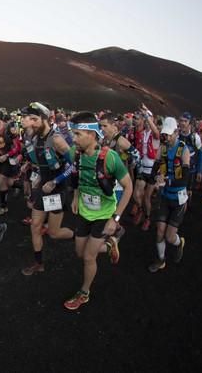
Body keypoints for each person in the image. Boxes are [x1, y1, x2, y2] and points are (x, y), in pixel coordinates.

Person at [62, 112, 133, 311]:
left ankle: (84, 293)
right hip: (85, 212)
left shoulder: (110, 157)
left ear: (92, 134)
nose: (73, 139)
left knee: (88, 257)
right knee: (79, 253)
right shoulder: (75, 154)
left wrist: (115, 218)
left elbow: (128, 187)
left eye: (77, 134)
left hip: (104, 215)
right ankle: (110, 245)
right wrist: (76, 197)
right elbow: (77, 178)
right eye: (72, 134)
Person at [19, 102, 75, 276]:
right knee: (35, 226)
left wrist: (55, 181)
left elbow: (74, 165)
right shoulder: (37, 138)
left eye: (34, 120)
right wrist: (34, 172)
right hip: (43, 189)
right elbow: (42, 162)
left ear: (45, 119)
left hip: (56, 191)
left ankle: (80, 235)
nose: (31, 124)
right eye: (27, 120)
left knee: (54, 233)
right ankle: (39, 263)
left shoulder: (57, 139)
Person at [147, 117, 189, 272]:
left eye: (170, 134)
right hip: (165, 196)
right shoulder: (162, 148)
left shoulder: (183, 149)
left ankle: (180, 243)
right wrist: (154, 179)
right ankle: (161, 259)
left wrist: (166, 181)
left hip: (178, 198)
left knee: (170, 237)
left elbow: (184, 179)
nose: (167, 137)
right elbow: (154, 169)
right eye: (165, 134)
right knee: (159, 231)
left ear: (176, 132)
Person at [130, 104, 160, 230]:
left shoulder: (156, 135)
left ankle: (147, 218)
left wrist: (147, 115)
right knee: (136, 194)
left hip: (152, 169)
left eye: (149, 120)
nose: (147, 122)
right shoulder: (143, 133)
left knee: (147, 197)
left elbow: (156, 132)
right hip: (143, 166)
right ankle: (141, 210)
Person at [177, 112, 202, 202]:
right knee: (179, 191)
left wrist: (199, 171)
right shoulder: (176, 136)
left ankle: (186, 207)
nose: (182, 123)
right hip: (177, 169)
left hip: (190, 171)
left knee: (188, 193)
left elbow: (200, 154)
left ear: (190, 123)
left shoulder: (195, 137)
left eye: (185, 121)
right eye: (181, 121)